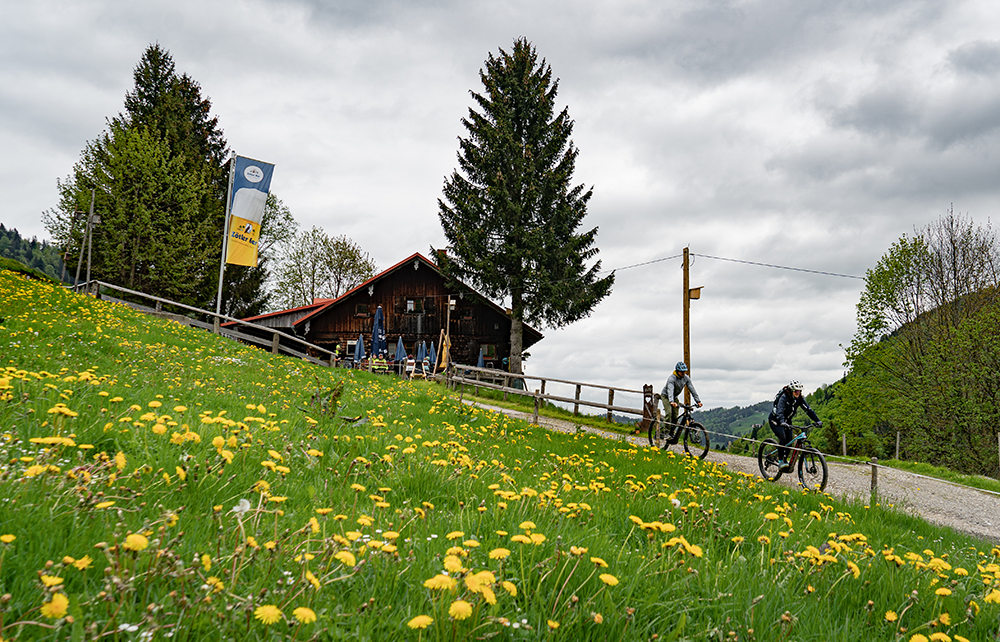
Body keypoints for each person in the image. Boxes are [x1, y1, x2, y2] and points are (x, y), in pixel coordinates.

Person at [768, 380, 822, 469]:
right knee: (783, 438)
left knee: (790, 439)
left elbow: (808, 410)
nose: (798, 393)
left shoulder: (799, 399)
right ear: (792, 390)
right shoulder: (784, 397)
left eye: (800, 391)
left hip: (787, 421)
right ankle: (781, 461)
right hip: (776, 420)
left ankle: (785, 460)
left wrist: (817, 420)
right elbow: (780, 411)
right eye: (796, 391)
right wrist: (782, 422)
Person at [660, 362, 702, 438]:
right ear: (677, 371)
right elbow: (670, 390)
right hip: (666, 396)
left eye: (684, 371)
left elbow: (692, 389)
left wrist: (698, 401)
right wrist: (671, 401)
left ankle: (671, 432)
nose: (683, 373)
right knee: (669, 413)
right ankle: (665, 432)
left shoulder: (686, 378)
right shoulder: (671, 379)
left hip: (674, 397)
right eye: (681, 371)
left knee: (675, 416)